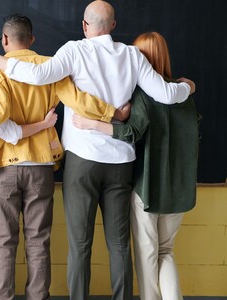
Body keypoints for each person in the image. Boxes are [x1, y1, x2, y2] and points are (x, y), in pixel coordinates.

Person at [0, 1, 196, 299]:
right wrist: (187, 87)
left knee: (80, 245)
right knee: (119, 245)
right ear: (114, 26)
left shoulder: (74, 50)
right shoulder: (133, 56)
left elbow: (40, 75)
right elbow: (167, 94)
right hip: (121, 161)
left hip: (82, 162)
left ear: (84, 25)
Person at [0, 14, 123, 300]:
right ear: (33, 40)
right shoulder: (51, 66)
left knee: (3, 242)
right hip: (40, 164)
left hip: (4, 165)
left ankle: (4, 297)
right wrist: (113, 113)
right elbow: (77, 100)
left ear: (4, 40)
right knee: (39, 240)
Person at [72, 32, 199, 300]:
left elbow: (132, 132)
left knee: (146, 253)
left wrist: (94, 124)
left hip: (148, 188)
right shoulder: (183, 94)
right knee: (166, 251)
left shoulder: (143, 95)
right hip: (180, 189)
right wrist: (188, 86)